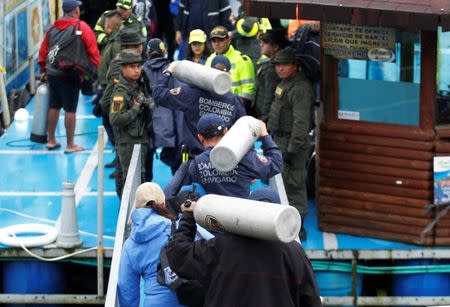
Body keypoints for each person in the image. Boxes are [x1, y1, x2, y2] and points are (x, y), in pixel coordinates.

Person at [165, 195, 322, 307]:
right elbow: (310, 300)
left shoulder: (221, 246)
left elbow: (178, 255)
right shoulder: (295, 252)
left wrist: (188, 218)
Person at [164, 113, 283, 199]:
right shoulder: (245, 158)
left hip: (208, 227)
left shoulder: (193, 164)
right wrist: (264, 134)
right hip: (241, 224)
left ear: (200, 137)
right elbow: (276, 164)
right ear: (226, 131)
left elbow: (169, 193)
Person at [38, 0, 100, 153]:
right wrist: (100, 70)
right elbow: (93, 51)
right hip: (70, 74)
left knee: (54, 106)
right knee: (70, 109)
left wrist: (43, 69)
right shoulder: (81, 27)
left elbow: (43, 51)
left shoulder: (52, 28)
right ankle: (70, 144)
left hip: (52, 73)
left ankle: (51, 140)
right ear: (75, 10)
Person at [152, 55, 245, 158]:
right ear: (229, 74)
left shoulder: (191, 94)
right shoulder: (234, 101)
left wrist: (169, 71)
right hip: (223, 160)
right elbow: (243, 134)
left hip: (194, 160)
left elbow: (158, 95)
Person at [267, 47, 314, 241]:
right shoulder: (285, 84)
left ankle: (298, 224)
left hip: (292, 142)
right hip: (279, 139)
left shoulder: (300, 88)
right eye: (277, 64)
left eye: (284, 64)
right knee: (280, 182)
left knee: (294, 183)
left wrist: (293, 149)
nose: (280, 68)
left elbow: (301, 122)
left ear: (295, 66)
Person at [118, 182, 184, 307]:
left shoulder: (130, 244)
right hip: (188, 298)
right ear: (163, 204)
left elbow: (127, 291)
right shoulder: (183, 228)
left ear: (136, 208)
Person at [109, 51, 153, 198]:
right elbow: (115, 119)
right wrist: (135, 109)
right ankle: (130, 213)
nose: (136, 70)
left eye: (139, 66)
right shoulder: (121, 92)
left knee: (130, 177)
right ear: (123, 68)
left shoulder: (134, 85)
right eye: (132, 67)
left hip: (138, 139)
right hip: (129, 142)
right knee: (132, 179)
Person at [204, 26, 255, 115]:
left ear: (228, 40)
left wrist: (239, 105)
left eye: (220, 40)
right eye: (214, 41)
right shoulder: (209, 60)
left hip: (237, 107)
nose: (217, 44)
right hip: (214, 106)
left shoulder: (242, 59)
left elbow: (248, 88)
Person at [254, 28, 287, 122]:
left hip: (267, 118)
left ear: (275, 47)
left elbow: (269, 96)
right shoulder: (270, 65)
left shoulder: (273, 70)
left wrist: (264, 118)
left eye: (265, 43)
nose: (261, 45)